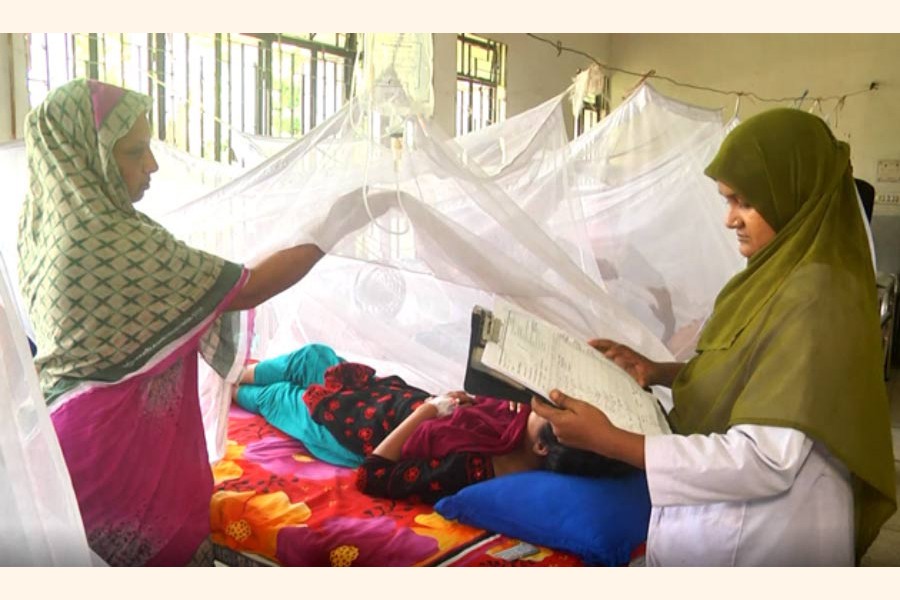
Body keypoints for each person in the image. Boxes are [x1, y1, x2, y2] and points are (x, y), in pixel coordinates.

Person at [17, 79, 381, 566]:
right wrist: (333, 227)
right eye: (135, 151)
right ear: (86, 154)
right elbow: (246, 287)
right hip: (117, 457)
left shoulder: (43, 230)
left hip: (69, 437)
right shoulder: (112, 241)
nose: (152, 165)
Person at [532, 108, 897, 566]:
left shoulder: (816, 297)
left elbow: (764, 459)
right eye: (727, 200)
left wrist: (610, 441)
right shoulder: (778, 276)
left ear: (792, 194)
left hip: (767, 536)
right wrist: (658, 371)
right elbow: (760, 370)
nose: (730, 220)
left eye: (744, 201)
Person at [234, 343, 634, 503]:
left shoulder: (474, 468)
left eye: (546, 416)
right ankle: (238, 370)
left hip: (351, 436)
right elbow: (473, 414)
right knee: (313, 357)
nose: (536, 407)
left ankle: (226, 382)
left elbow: (373, 475)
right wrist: (463, 403)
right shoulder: (516, 430)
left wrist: (426, 412)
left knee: (274, 396)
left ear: (545, 447)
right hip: (383, 402)